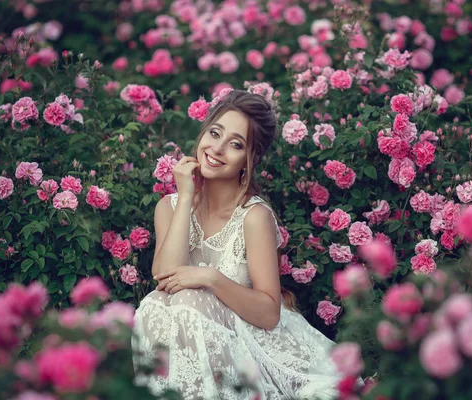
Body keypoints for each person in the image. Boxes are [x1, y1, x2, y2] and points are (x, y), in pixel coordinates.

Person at [133, 90, 340, 399]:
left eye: (235, 144)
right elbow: (165, 278)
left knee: (188, 299)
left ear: (249, 159)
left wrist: (210, 277)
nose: (217, 149)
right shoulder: (170, 206)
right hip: (195, 350)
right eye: (214, 133)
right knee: (153, 305)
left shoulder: (253, 217)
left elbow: (270, 314)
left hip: (254, 348)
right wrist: (187, 197)